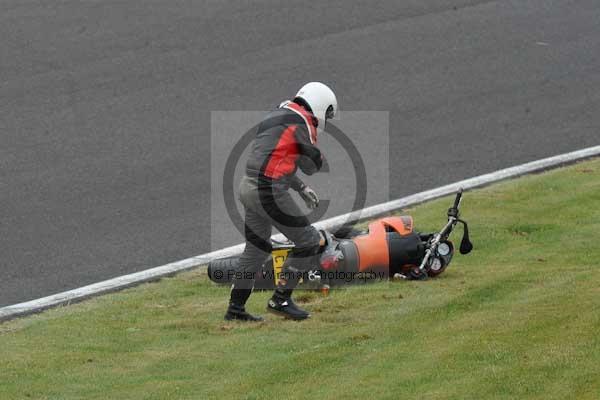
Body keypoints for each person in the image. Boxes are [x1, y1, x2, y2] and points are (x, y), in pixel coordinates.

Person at [224, 82, 338, 322]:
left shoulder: (277, 113)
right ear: (320, 104)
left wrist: (300, 187)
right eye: (327, 113)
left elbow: (273, 160)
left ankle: (235, 310)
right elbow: (310, 166)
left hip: (248, 187)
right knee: (308, 241)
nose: (325, 119)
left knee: (255, 250)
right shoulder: (302, 122)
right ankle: (280, 299)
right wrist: (317, 156)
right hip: (269, 192)